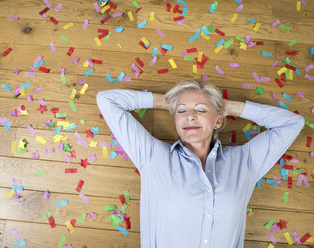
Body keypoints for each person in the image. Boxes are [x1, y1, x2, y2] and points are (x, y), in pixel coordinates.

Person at [96, 79, 304, 248]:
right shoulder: (152, 156)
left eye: (202, 110)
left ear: (218, 120)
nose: (190, 116)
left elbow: (292, 123)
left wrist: (228, 106)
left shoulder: (244, 161)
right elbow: (107, 100)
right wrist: (167, 102)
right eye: (182, 111)